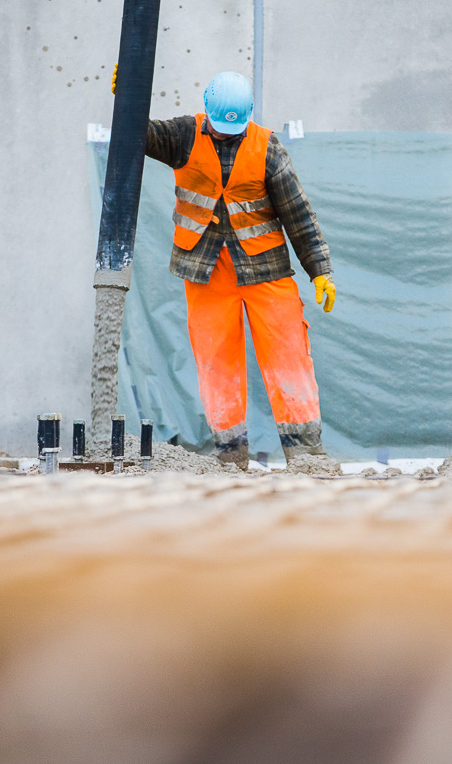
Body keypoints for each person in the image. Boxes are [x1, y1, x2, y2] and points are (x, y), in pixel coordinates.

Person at [144, 72, 337, 469]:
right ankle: (230, 460)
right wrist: (127, 94)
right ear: (208, 110)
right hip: (207, 271)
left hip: (266, 271)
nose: (228, 134)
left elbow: (298, 214)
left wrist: (320, 269)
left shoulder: (267, 147)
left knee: (289, 359)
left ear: (248, 116)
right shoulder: (183, 135)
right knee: (217, 365)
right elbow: (138, 136)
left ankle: (306, 459)